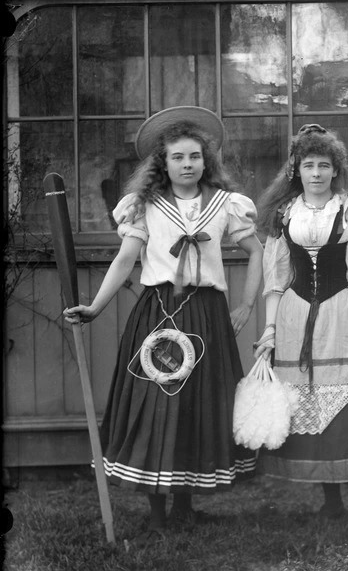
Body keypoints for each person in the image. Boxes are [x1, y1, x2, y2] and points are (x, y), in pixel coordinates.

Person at [64, 106, 263, 545]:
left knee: (196, 404)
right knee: (157, 403)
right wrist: (95, 307)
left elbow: (256, 250)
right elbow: (125, 261)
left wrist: (247, 303)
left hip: (206, 313)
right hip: (158, 313)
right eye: (178, 157)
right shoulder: (145, 206)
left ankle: (186, 506)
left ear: (205, 160)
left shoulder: (226, 204)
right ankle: (157, 511)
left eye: (194, 156)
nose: (187, 164)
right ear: (163, 161)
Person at [254, 123, 348, 536]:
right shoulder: (284, 214)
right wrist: (269, 329)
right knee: (311, 405)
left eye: (324, 165)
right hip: (296, 317)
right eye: (308, 165)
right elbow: (276, 276)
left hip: (344, 314)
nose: (316, 173)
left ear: (336, 170)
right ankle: (331, 502)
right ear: (296, 171)